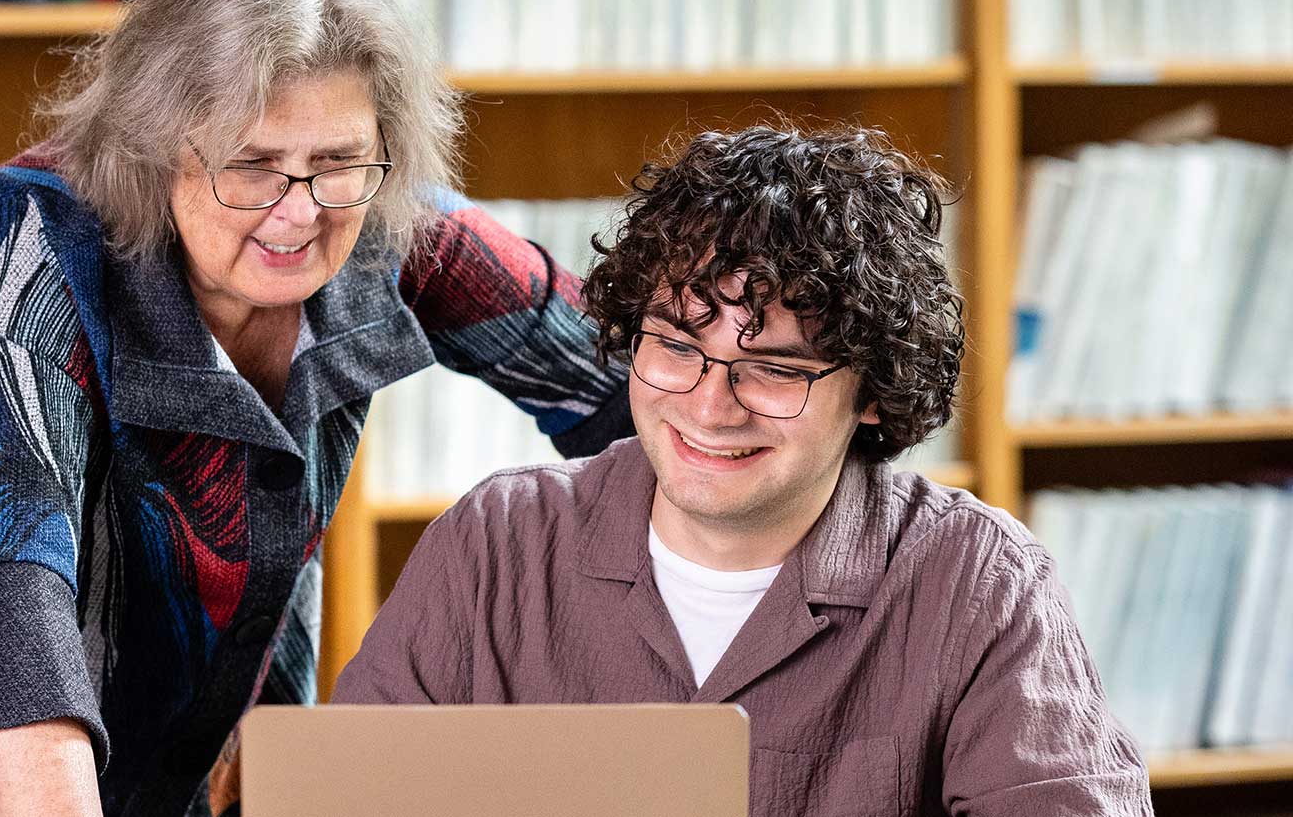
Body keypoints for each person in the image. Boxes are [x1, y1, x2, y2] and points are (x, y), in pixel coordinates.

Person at [0, 0, 632, 815]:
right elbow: (14, 584)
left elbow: (632, 377)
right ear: (151, 145)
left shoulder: (389, 217)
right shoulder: (26, 242)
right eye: (249, 167)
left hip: (157, 728)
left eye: (336, 162)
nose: (298, 211)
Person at [332, 124, 1154, 816]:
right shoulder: (494, 546)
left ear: (873, 389)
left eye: (774, 369)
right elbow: (345, 798)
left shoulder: (979, 582)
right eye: (678, 347)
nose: (710, 406)